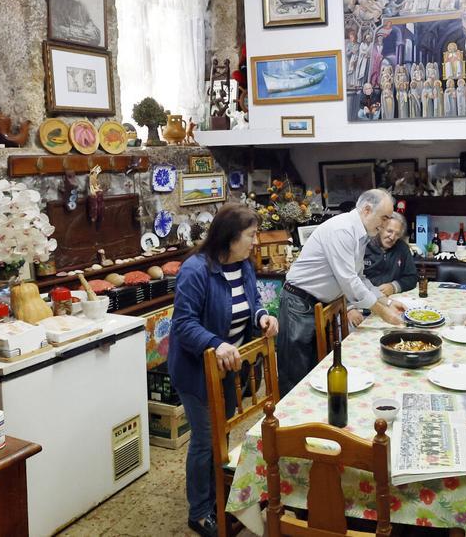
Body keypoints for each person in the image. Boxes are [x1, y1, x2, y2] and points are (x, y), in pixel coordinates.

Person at [168, 204, 280, 537]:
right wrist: (216, 344)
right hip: (196, 370)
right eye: (251, 235)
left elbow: (252, 300)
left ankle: (218, 493)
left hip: (229, 368)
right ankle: (199, 511)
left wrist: (262, 316)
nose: (255, 242)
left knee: (223, 433)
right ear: (230, 238)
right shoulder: (195, 271)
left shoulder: (243, 265)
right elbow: (183, 323)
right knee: (206, 439)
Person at [277, 189, 407, 394]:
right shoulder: (342, 230)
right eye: (384, 218)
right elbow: (349, 282)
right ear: (367, 210)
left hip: (317, 303)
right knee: (295, 374)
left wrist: (387, 302)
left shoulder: (360, 234)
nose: (384, 225)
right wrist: (383, 312)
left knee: (315, 372)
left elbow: (360, 277)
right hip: (298, 302)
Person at [363, 212, 418, 305]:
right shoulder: (364, 246)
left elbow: (412, 277)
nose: (392, 237)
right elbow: (352, 279)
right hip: (365, 301)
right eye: (389, 231)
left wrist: (394, 287)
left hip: (393, 301)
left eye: (397, 234)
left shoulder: (402, 248)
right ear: (379, 228)